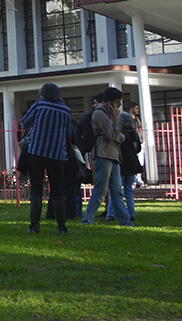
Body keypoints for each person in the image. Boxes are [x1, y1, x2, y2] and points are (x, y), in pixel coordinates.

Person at [20, 82, 73, 234]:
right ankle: (62, 226)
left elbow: (25, 121)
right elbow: (68, 132)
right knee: (57, 190)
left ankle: (34, 226)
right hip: (57, 154)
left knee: (36, 189)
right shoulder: (65, 110)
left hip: (36, 151)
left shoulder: (39, 105)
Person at [81, 87, 133, 226]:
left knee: (117, 191)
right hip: (103, 154)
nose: (119, 105)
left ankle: (125, 220)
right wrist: (115, 122)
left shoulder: (109, 114)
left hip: (113, 154)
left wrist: (114, 132)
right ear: (109, 102)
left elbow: (119, 136)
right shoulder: (100, 114)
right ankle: (87, 219)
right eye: (117, 102)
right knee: (101, 189)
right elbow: (113, 134)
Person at [105, 109, 141, 223]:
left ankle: (110, 214)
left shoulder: (118, 134)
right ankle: (131, 213)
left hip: (120, 163)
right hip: (132, 164)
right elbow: (138, 148)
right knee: (129, 189)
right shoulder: (134, 135)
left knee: (115, 190)